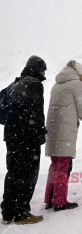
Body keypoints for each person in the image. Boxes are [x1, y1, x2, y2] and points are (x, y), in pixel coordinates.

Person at [44, 61, 82, 212]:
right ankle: (59, 201)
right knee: (64, 166)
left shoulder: (56, 85)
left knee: (55, 165)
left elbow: (69, 109)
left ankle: (50, 199)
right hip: (65, 132)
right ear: (78, 74)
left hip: (52, 130)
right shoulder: (76, 84)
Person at [1, 56, 47, 225]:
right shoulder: (34, 84)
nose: (44, 73)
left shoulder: (14, 84)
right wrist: (40, 133)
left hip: (12, 137)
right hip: (27, 137)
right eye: (43, 69)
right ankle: (22, 213)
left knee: (13, 173)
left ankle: (7, 212)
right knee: (28, 175)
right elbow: (36, 112)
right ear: (36, 69)